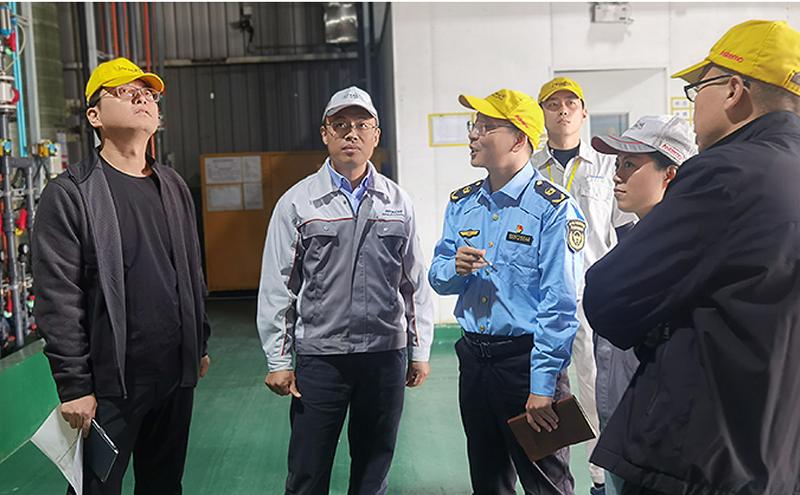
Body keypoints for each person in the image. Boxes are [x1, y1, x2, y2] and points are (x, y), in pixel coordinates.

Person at [583, 20, 800, 495]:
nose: (693, 103)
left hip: (702, 454)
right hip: (779, 451)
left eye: (698, 88)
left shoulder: (726, 172)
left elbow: (608, 299)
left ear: (734, 90)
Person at [33, 57, 212, 494]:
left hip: (173, 375)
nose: (142, 98)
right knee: (96, 488)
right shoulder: (71, 194)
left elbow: (191, 272)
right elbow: (58, 298)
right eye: (125, 91)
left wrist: (198, 343)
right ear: (94, 116)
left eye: (148, 94)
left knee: (164, 484)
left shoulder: (172, 186)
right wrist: (74, 385)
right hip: (110, 384)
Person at [257, 86, 434, 495]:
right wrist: (279, 359)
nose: (351, 133)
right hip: (322, 359)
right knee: (307, 470)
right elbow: (278, 285)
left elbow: (414, 281)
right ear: (325, 134)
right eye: (340, 125)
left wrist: (419, 349)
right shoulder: (299, 202)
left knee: (373, 469)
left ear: (376, 135)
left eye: (361, 125)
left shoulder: (397, 201)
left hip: (384, 356)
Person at [429, 88, 585, 495]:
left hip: (527, 364)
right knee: (488, 481)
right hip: (475, 362)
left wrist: (542, 385)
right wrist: (454, 268)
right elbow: (438, 277)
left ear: (518, 139)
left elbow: (560, 305)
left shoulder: (553, 209)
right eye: (474, 125)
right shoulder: (462, 204)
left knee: (547, 484)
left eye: (485, 127)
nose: (473, 134)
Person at [532, 77, 637, 494]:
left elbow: (625, 233)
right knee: (544, 388)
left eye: (570, 103)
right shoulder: (529, 168)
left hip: (594, 294)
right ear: (542, 112)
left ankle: (599, 478)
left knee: (596, 387)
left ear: (583, 111)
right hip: (541, 297)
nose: (562, 110)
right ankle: (552, 477)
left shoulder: (607, 167)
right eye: (553, 104)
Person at [588, 114, 696, 495]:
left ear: (670, 175)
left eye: (630, 165)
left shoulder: (685, 251)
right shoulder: (634, 243)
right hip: (624, 431)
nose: (616, 175)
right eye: (617, 163)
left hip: (660, 443)